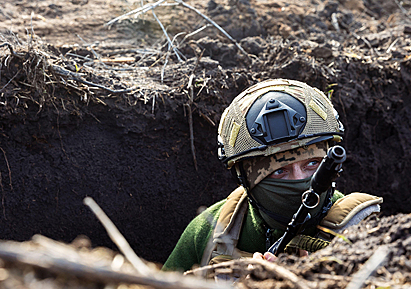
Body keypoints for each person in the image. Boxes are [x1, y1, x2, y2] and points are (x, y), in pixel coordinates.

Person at [162, 79, 382, 272]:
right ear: (246, 179)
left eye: (312, 164)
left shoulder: (358, 227)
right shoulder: (208, 231)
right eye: (279, 171)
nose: (299, 181)